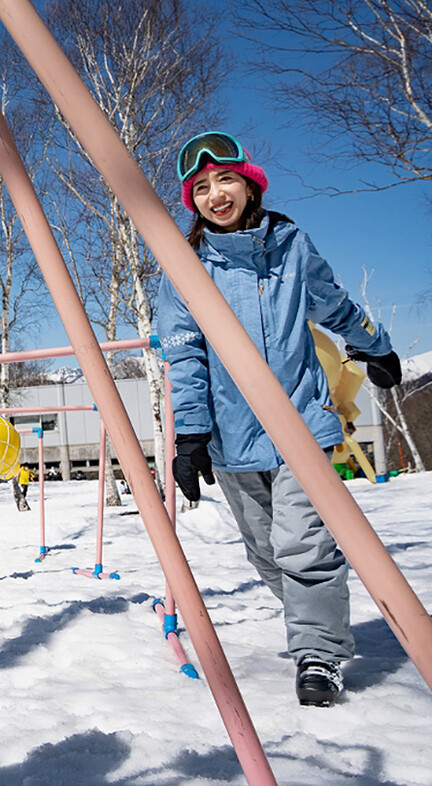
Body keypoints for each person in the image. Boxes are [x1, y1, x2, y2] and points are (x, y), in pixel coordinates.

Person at [158, 132, 402, 707]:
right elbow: (185, 355)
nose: (215, 194)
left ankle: (318, 654)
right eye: (201, 187)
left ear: (250, 184)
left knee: (303, 546)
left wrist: (376, 346)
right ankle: (314, 623)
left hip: (300, 424)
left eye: (226, 180)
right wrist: (192, 431)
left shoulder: (289, 245)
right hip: (232, 437)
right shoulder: (186, 266)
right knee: (267, 554)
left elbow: (332, 303)